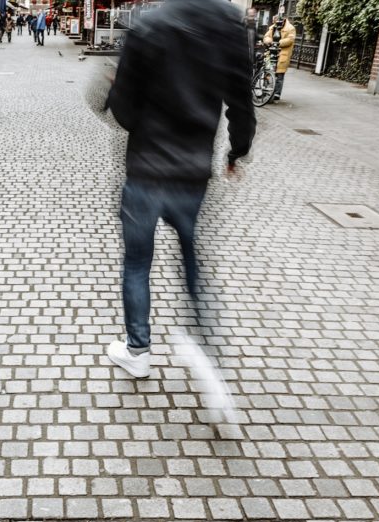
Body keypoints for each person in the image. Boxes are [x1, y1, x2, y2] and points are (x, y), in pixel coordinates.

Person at [104, 0, 255, 383]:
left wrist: (120, 98)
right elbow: (241, 101)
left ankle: (137, 350)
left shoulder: (149, 24)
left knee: (138, 264)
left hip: (146, 172)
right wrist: (237, 150)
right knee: (192, 260)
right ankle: (208, 346)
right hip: (192, 173)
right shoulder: (230, 24)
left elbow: (122, 110)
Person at [261, 13, 295, 102]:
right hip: (271, 52)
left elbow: (290, 40)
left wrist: (278, 43)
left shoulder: (290, 28)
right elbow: (266, 36)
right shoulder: (272, 27)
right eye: (274, 21)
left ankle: (276, 93)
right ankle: (266, 91)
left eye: (276, 21)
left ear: (283, 20)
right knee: (268, 72)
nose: (275, 23)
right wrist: (269, 41)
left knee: (279, 75)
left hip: (282, 54)